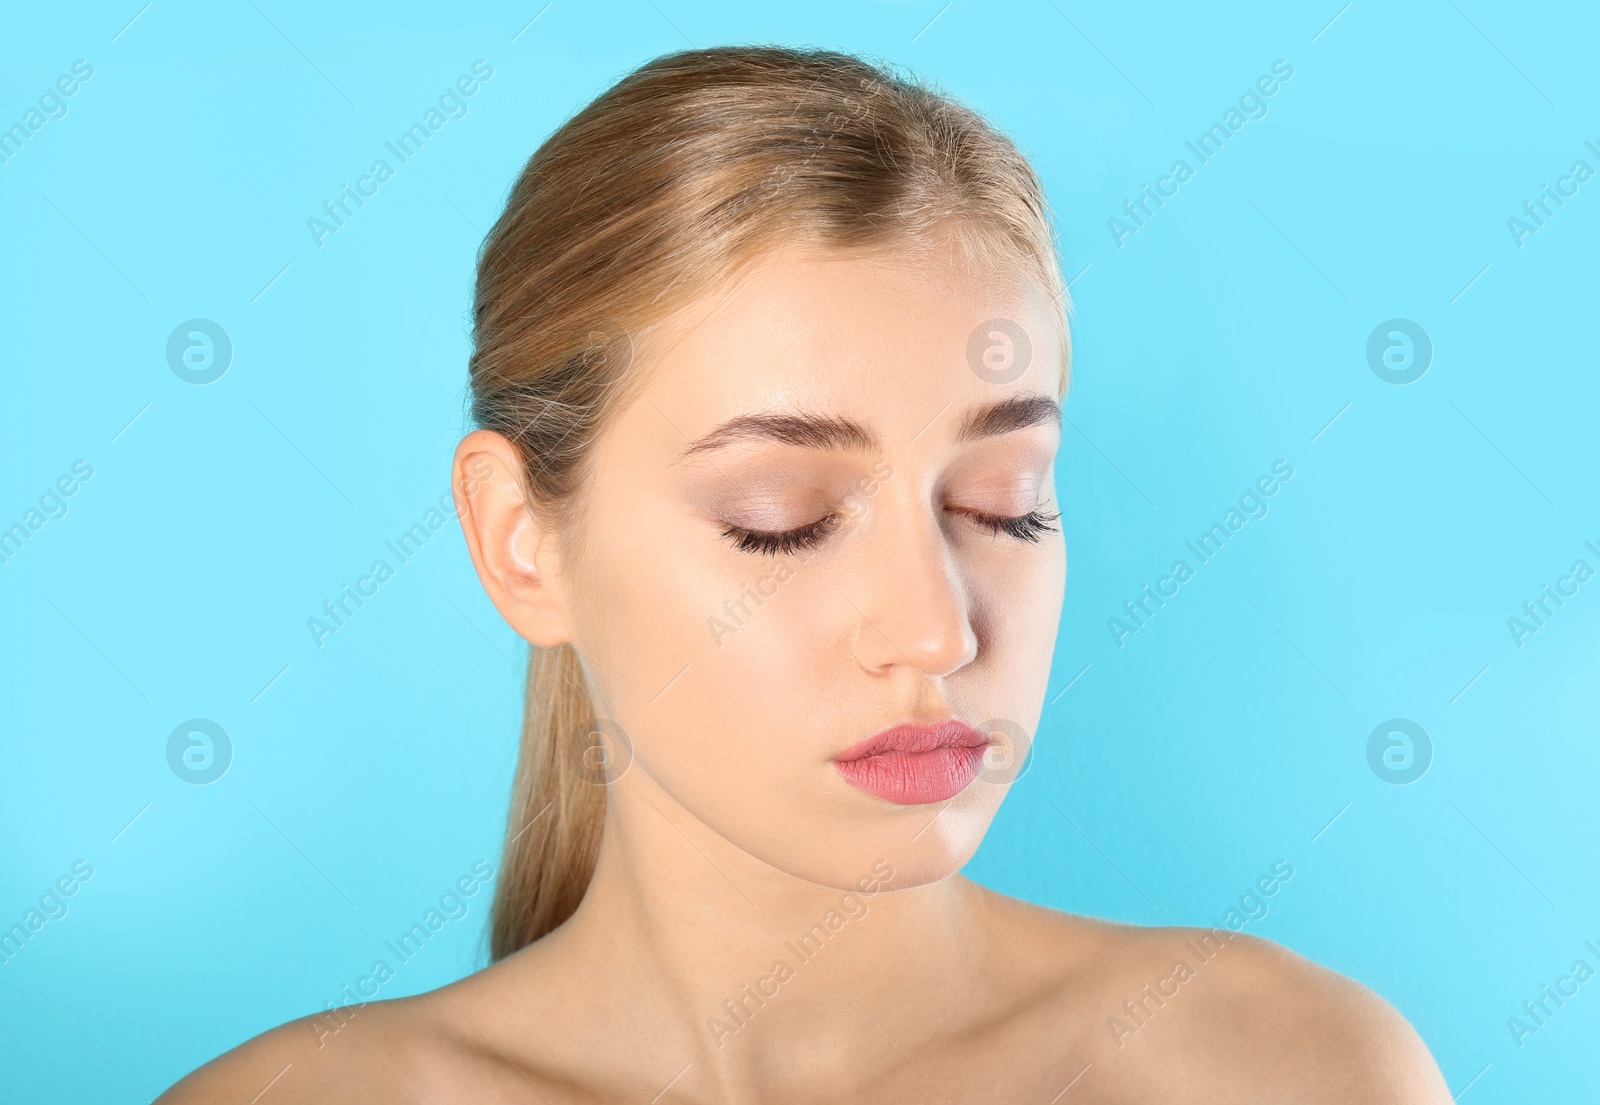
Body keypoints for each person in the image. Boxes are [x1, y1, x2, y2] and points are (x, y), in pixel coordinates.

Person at [157, 45, 1451, 1103]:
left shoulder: (1286, 1071)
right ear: (520, 540)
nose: (937, 630)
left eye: (1005, 504)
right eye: (781, 519)